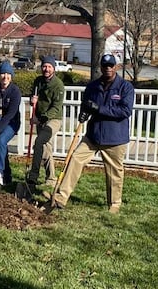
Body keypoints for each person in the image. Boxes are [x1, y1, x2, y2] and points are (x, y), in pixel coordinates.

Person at [48, 54, 135, 214]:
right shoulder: (93, 86)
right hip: (93, 135)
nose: (108, 68)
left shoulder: (125, 87)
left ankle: (114, 204)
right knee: (75, 159)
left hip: (115, 138)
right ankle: (61, 197)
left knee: (114, 171)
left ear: (115, 67)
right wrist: (84, 113)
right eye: (105, 66)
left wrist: (98, 109)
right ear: (101, 67)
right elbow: (86, 104)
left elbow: (125, 111)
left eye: (111, 66)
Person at [26, 55, 64, 189]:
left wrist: (41, 119)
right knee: (46, 148)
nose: (46, 69)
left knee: (39, 142)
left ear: (53, 68)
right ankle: (51, 178)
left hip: (53, 120)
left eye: (49, 67)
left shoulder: (58, 85)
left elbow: (56, 107)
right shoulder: (38, 81)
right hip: (39, 119)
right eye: (44, 66)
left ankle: (33, 176)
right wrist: (32, 101)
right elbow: (33, 97)